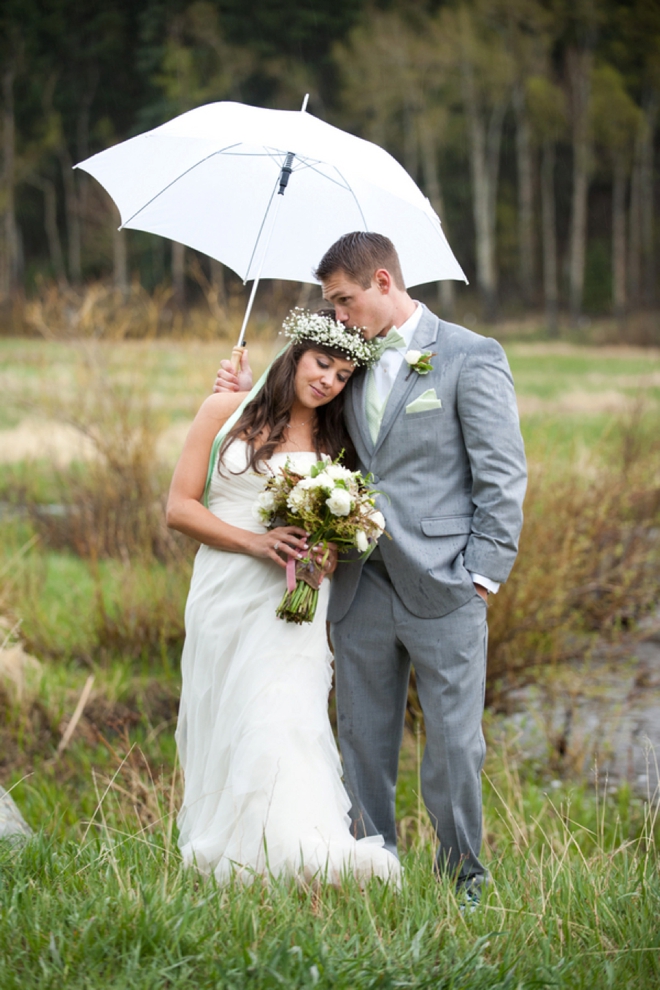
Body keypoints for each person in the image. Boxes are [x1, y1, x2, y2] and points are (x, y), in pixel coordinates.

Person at [215, 232, 527, 900]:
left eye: (345, 299)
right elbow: (304, 415)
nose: (341, 315)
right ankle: (374, 874)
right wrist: (240, 394)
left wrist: (482, 572)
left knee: (452, 747)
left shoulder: (471, 357)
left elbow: (503, 476)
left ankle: (462, 881)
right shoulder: (347, 362)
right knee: (362, 742)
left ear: (383, 282)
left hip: (446, 584)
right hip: (357, 584)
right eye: (332, 303)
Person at [167, 311, 400, 885]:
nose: (329, 381)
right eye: (323, 363)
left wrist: (325, 554)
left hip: (295, 602)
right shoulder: (224, 411)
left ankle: (294, 847)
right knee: (231, 711)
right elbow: (179, 508)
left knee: (283, 713)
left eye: (344, 375)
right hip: (227, 589)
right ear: (296, 354)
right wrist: (256, 542)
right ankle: (233, 847)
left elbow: (333, 526)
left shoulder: (332, 436)